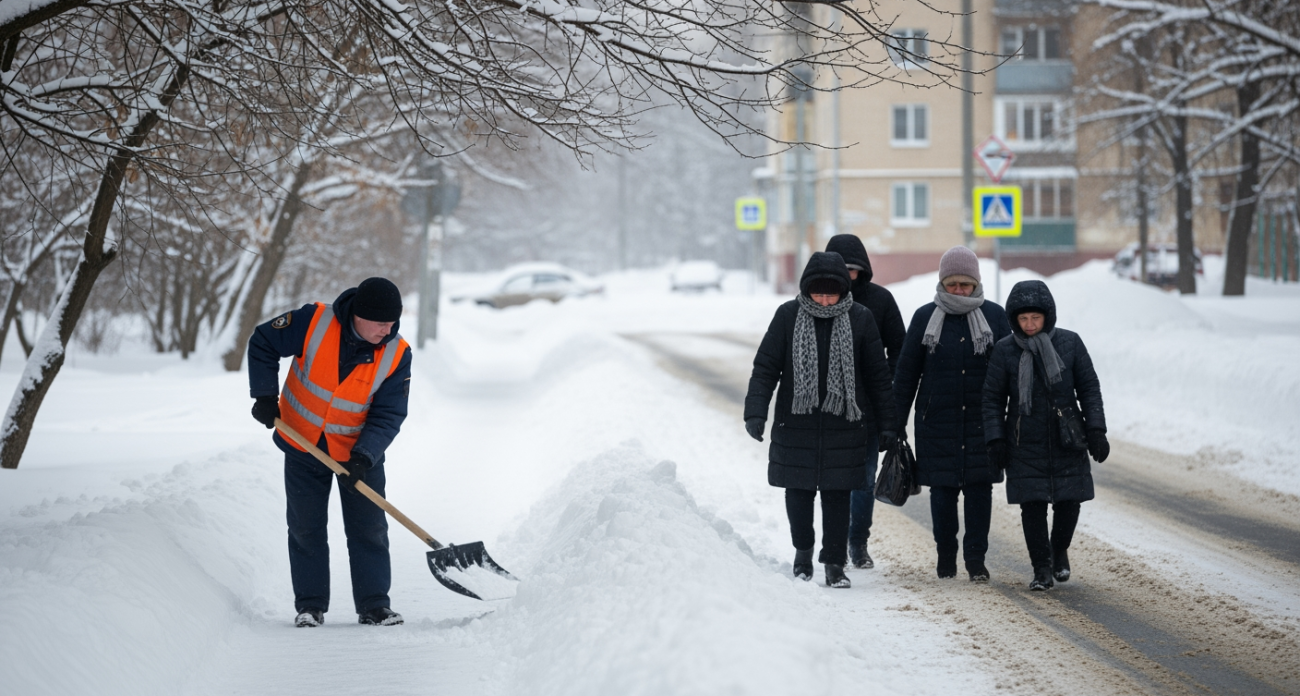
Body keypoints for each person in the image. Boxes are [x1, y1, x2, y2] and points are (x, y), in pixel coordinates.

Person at [247, 277, 412, 626]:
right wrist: (264, 395)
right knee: (305, 528)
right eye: (381, 323)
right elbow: (263, 340)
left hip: (358, 455)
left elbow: (389, 413)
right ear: (359, 315)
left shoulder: (397, 354)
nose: (388, 330)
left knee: (369, 529)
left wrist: (364, 457)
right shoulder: (313, 322)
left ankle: (374, 605)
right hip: (303, 443)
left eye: (393, 322)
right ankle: (310, 605)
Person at [744, 252, 896, 589]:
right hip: (796, 424)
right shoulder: (787, 316)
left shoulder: (861, 318)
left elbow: (878, 377)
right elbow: (765, 368)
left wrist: (888, 424)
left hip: (845, 425)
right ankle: (803, 552)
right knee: (798, 494)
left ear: (844, 290)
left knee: (837, 497)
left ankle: (834, 564)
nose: (825, 301)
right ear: (806, 289)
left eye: (832, 294)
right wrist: (755, 412)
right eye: (818, 293)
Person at [981, 280, 1108, 591]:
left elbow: (1089, 389)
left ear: (1047, 316)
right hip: (1024, 441)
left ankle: (1059, 550)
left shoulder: (1070, 343)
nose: (1029, 325)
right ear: (1014, 319)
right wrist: (996, 440)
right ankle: (1041, 568)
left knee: (1070, 501)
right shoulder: (1005, 350)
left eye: (1035, 318)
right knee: (1033, 505)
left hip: (1067, 437)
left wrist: (1096, 429)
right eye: (1023, 319)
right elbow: (992, 399)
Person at [892, 246, 1009, 582]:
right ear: (942, 283)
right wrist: (894, 424)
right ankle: (945, 557)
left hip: (982, 423)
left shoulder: (995, 317)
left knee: (979, 493)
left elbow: (1010, 372)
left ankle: (976, 561)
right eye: (952, 284)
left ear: (977, 283)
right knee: (942, 494)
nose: (959, 291)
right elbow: (906, 376)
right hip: (936, 422)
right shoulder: (924, 317)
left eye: (966, 285)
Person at [824, 234, 906, 570]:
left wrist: (883, 379)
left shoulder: (880, 301)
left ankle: (858, 542)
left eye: (853, 269)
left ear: (863, 270)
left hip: (868, 408)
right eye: (841, 268)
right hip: (828, 409)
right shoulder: (819, 299)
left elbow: (900, 348)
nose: (847, 275)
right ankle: (834, 544)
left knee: (863, 478)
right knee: (831, 480)